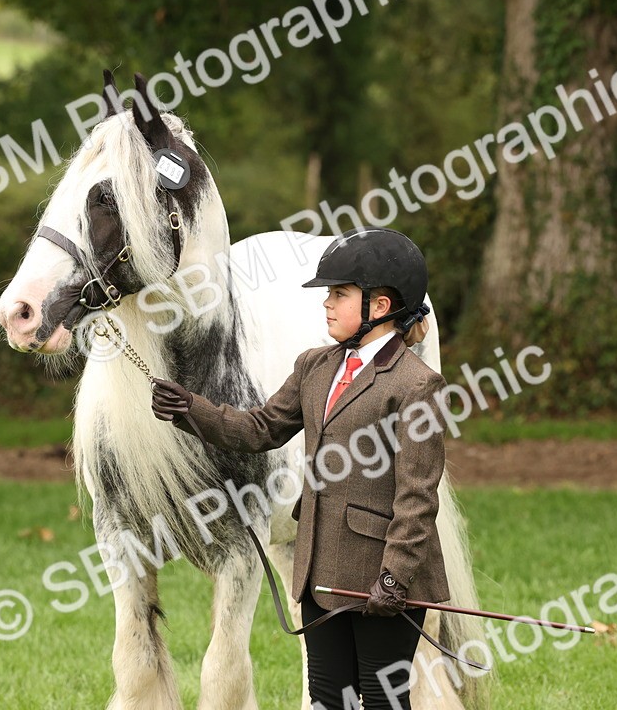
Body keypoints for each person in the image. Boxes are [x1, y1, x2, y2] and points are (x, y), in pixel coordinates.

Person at [150, 226, 453, 710]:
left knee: (380, 702)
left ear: (380, 306)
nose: (326, 304)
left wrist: (394, 578)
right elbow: (259, 429)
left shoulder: (418, 386)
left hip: (383, 580)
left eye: (339, 293)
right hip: (321, 573)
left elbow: (417, 497)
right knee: (327, 699)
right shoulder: (315, 366)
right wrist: (191, 409)